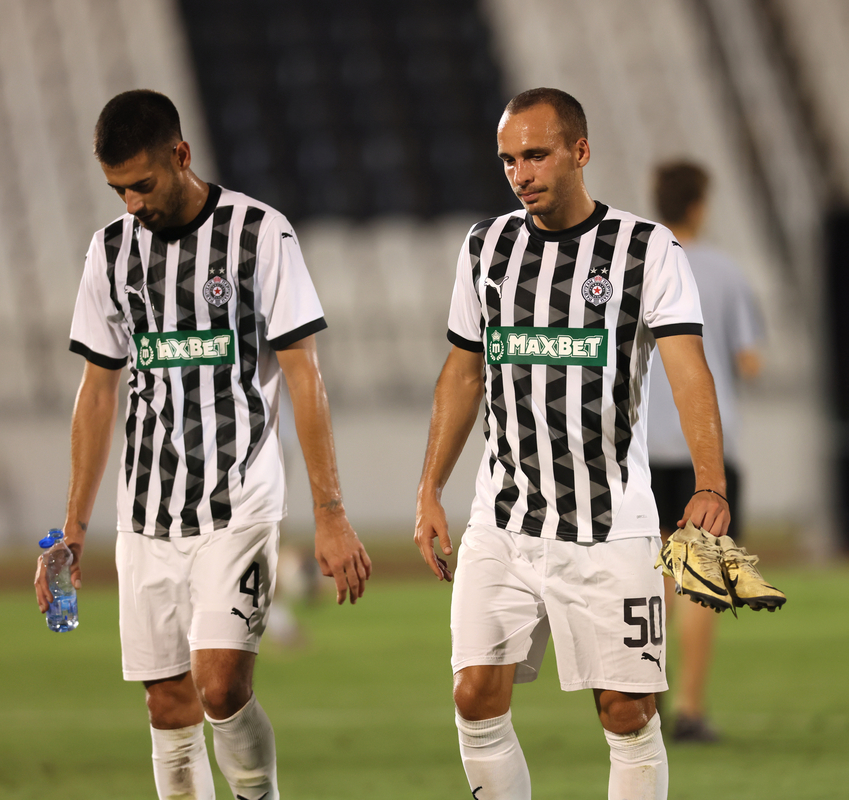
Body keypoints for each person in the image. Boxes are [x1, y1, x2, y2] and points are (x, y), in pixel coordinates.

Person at [34, 90, 372, 800]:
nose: (130, 204)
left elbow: (304, 375)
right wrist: (70, 531)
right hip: (147, 516)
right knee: (168, 707)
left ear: (180, 156)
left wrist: (331, 511)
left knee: (219, 687)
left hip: (239, 504)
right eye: (117, 189)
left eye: (143, 185)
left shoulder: (260, 234)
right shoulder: (110, 251)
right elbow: (98, 391)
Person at [413, 87, 730, 800]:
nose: (520, 173)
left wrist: (709, 480)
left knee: (626, 711)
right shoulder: (486, 247)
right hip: (504, 519)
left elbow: (687, 371)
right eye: (507, 160)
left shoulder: (646, 249)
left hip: (610, 525)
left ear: (580, 152)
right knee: (474, 697)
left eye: (535, 155)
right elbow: (463, 373)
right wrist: (430, 487)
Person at [645, 161, 763, 743]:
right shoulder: (724, 270)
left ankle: (645, 703)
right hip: (707, 456)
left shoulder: (637, 267)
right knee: (702, 581)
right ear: (700, 203)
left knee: (652, 585)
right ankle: (690, 709)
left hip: (641, 449)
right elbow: (750, 361)